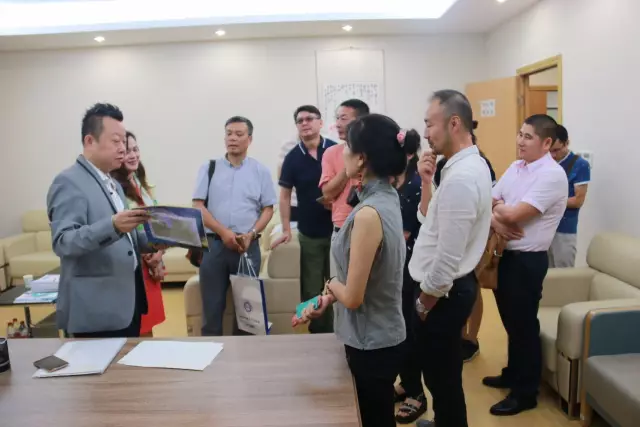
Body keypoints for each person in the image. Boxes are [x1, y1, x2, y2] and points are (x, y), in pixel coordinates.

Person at [295, 114, 413, 427]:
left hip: (372, 342)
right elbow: (364, 277)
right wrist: (325, 299)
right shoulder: (384, 197)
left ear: (361, 159)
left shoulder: (367, 214)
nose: (341, 152)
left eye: (347, 146)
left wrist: (331, 284)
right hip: (375, 335)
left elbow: (353, 297)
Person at [410, 90, 493, 427]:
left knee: (442, 379)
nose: (426, 133)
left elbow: (447, 257)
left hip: (444, 294)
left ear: (454, 123)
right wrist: (426, 182)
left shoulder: (462, 176)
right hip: (447, 291)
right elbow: (429, 220)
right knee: (441, 375)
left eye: (430, 124)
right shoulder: (459, 166)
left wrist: (424, 303)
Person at [484, 114, 568, 416]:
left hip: (527, 261)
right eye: (520, 134)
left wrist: (500, 211)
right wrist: (498, 214)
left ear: (547, 143)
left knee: (523, 327)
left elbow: (515, 215)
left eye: (528, 137)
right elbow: (489, 199)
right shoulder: (516, 166)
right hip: (504, 256)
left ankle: (525, 393)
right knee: (511, 323)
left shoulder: (552, 175)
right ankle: (513, 374)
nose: (520, 141)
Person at [47, 103, 154, 338]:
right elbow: (64, 242)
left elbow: (127, 239)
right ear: (90, 141)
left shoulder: (114, 184)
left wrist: (157, 240)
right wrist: (113, 225)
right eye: (115, 141)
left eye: (123, 142)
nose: (122, 148)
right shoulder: (68, 182)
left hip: (127, 302)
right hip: (96, 310)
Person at [192, 116, 277, 336]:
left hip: (247, 247)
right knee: (211, 311)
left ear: (250, 139)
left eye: (239, 134)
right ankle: (212, 353)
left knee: (248, 316)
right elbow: (198, 206)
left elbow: (268, 208)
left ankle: (244, 356)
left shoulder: (260, 171)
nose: (233, 138)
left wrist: (251, 234)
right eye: (229, 133)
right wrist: (223, 232)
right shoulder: (209, 168)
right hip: (214, 246)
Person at [434, 123, 497, 363]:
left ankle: (471, 338)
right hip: (449, 234)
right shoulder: (443, 165)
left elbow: (490, 200)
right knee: (453, 287)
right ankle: (457, 336)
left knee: (472, 287)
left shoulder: (480, 164)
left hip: (474, 237)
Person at [272, 105, 337, 333]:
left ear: (320, 122)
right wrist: (286, 229)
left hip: (338, 230)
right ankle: (318, 332)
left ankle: (339, 330)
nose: (305, 123)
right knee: (311, 287)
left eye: (310, 118)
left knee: (338, 284)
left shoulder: (335, 150)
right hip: (309, 232)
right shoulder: (292, 158)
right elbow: (285, 195)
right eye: (300, 120)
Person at [112, 131, 166, 337]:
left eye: (136, 149)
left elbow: (155, 219)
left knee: (148, 325)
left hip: (152, 261)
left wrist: (159, 255)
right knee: (137, 328)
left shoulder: (138, 179)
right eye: (127, 151)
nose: (133, 155)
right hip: (134, 264)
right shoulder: (114, 187)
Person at [393, 133, 427, 424]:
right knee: (398, 327)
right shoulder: (393, 181)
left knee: (408, 331)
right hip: (395, 266)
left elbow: (406, 232)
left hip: (410, 267)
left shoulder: (417, 184)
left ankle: (417, 392)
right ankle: (407, 382)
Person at [319, 99, 370, 276]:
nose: (338, 124)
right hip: (341, 228)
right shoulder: (331, 153)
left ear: (360, 122)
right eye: (337, 118)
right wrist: (349, 167)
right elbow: (327, 193)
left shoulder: (375, 151)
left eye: (343, 118)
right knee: (339, 283)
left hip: (370, 227)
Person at [548, 124, 590, 268]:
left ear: (567, 143)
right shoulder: (545, 163)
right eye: (549, 151)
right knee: (545, 274)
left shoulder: (580, 165)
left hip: (565, 229)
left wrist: (549, 202)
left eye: (556, 150)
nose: (553, 155)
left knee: (564, 273)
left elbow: (578, 200)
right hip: (544, 227)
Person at [277, 138, 300, 223]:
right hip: (294, 204)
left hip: (321, 205)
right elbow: (282, 178)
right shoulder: (288, 145)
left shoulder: (328, 143)